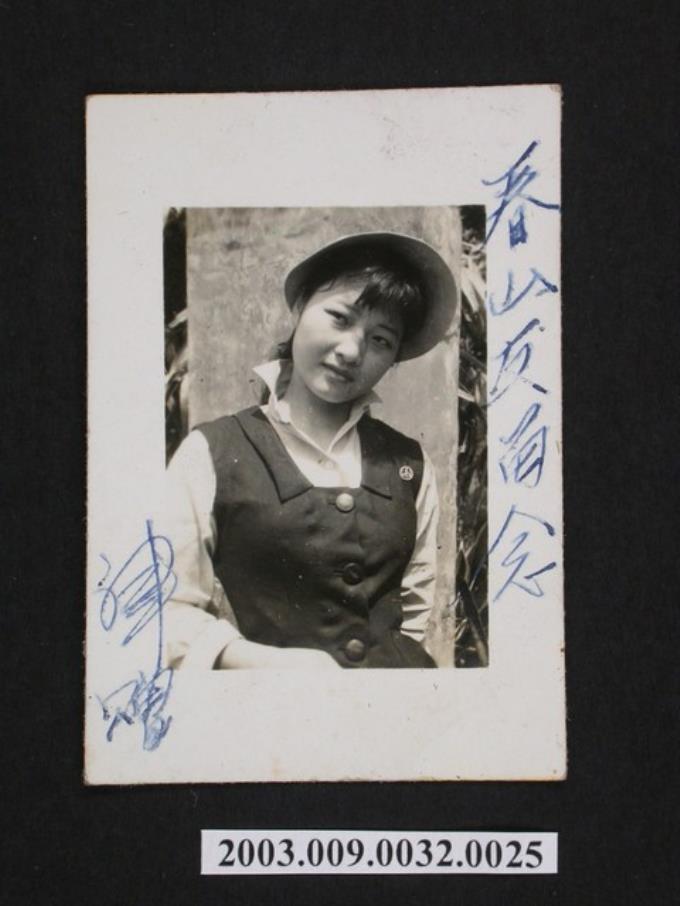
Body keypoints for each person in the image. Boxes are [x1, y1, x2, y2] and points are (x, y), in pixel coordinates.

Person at [163, 231, 457, 670]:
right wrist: (258, 662)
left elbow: (415, 610)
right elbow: (166, 610)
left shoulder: (408, 465)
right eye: (339, 318)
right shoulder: (211, 452)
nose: (352, 350)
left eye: (381, 340)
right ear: (300, 307)